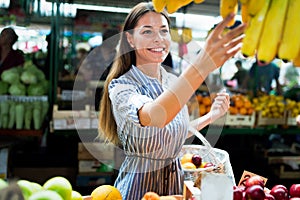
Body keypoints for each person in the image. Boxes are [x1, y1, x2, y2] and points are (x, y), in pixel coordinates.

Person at [98, 2, 245, 199]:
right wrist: (200, 66)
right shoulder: (122, 87)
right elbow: (157, 116)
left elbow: (171, 133)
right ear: (130, 39)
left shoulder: (172, 82)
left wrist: (212, 116)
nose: (158, 39)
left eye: (163, 31)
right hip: (138, 189)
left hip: (176, 187)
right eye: (147, 32)